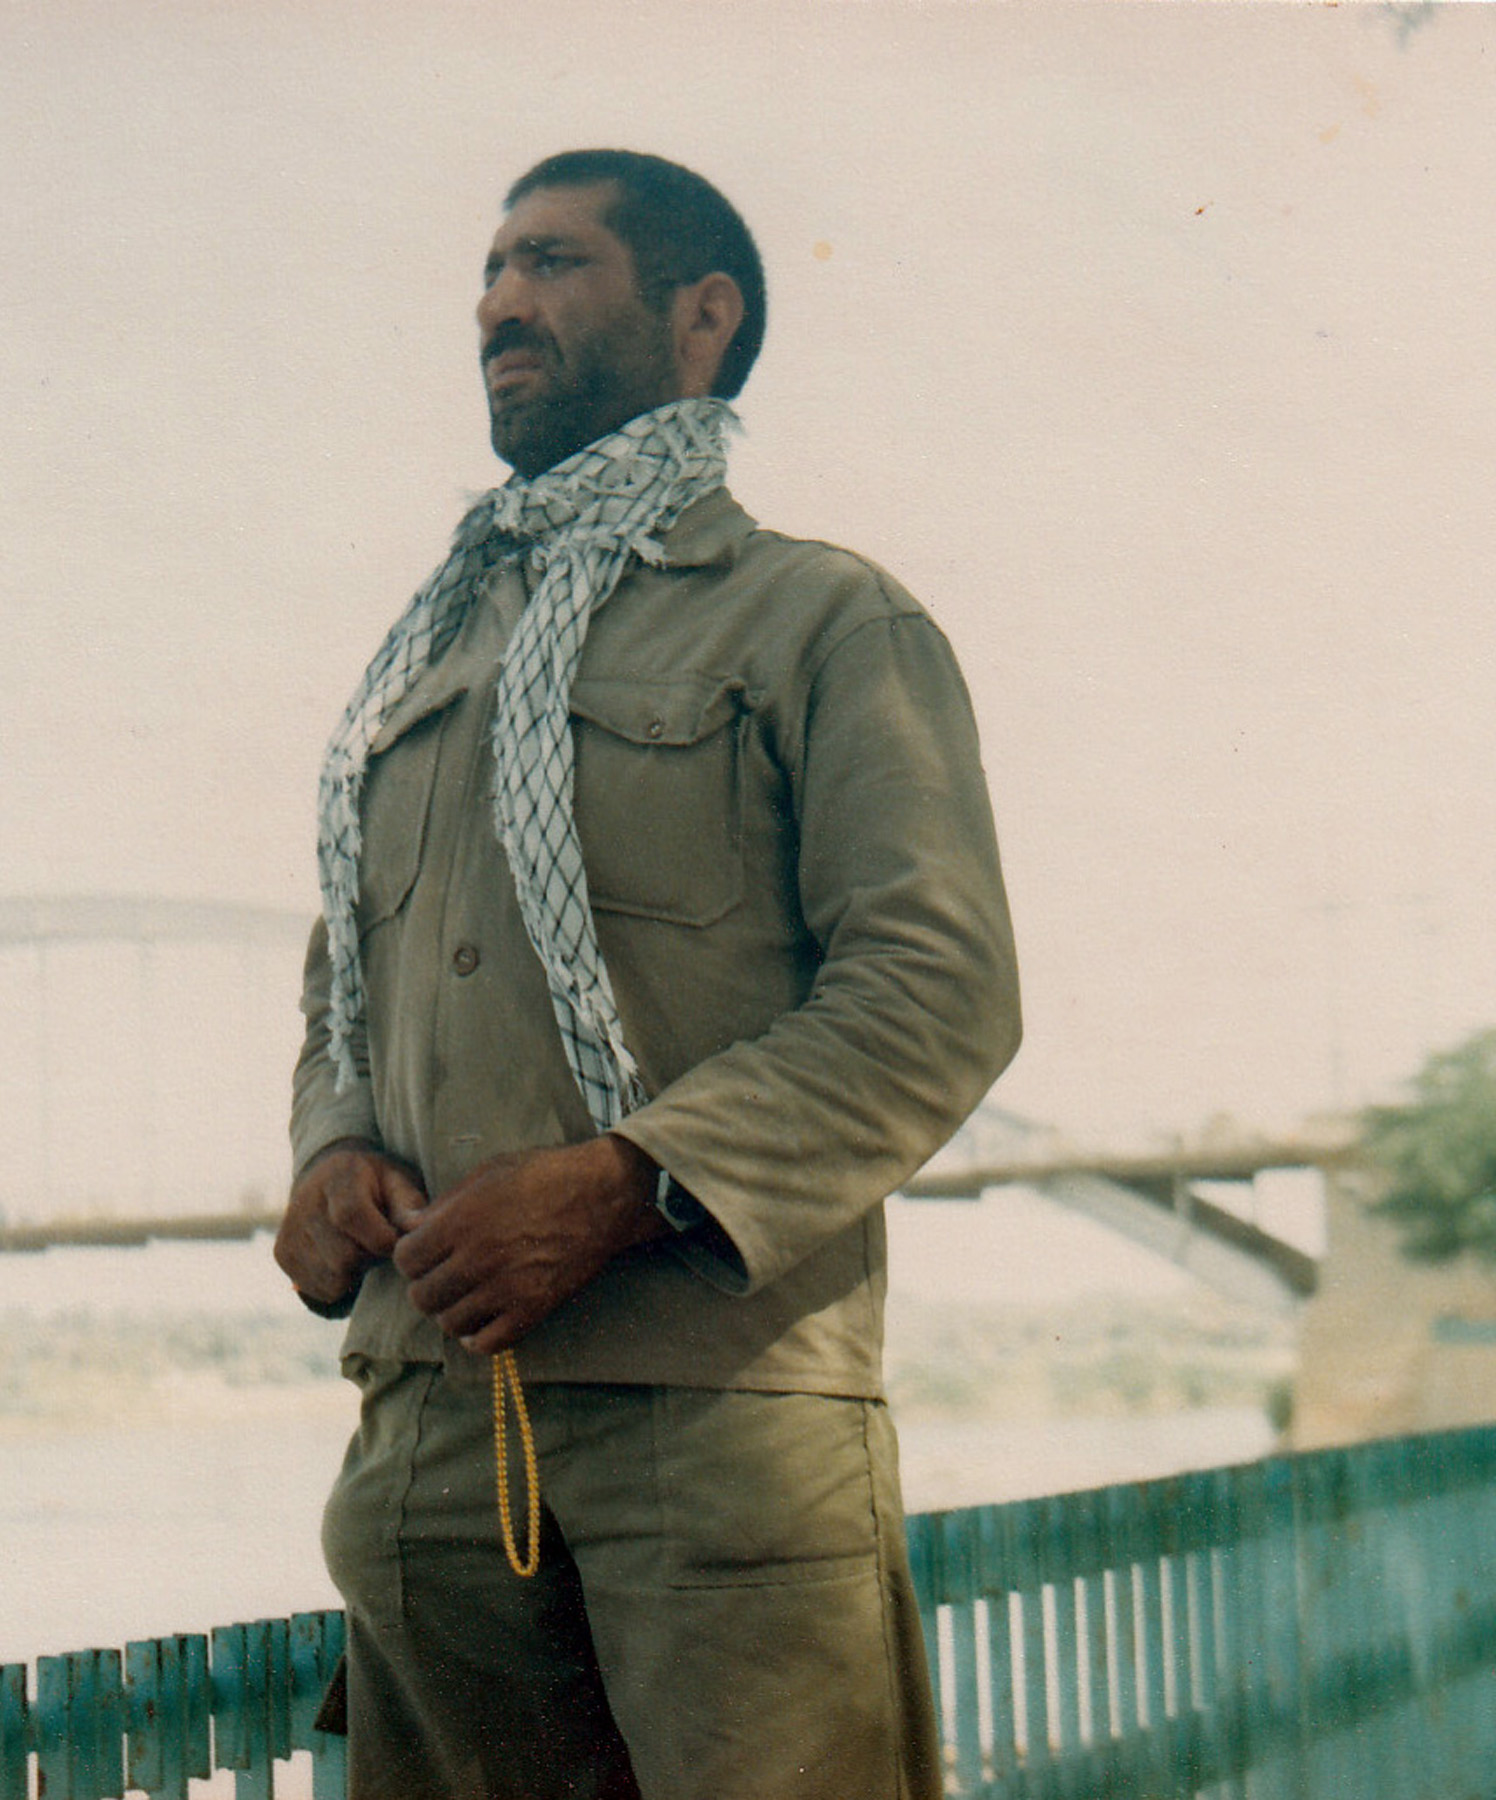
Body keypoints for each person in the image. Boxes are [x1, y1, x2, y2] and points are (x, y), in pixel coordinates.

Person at [276, 148, 1020, 1800]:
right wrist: (329, 1149)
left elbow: (936, 994)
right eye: (489, 272)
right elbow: (342, 985)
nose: (499, 303)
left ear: (702, 317)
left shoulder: (818, 623)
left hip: (717, 1426)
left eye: (553, 263)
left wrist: (628, 1184)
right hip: (427, 1429)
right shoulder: (426, 666)